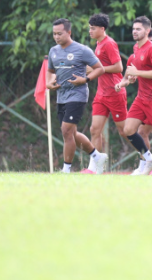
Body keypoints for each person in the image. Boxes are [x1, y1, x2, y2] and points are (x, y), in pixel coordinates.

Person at [45, 18, 107, 173]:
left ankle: (66, 170)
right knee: (71, 133)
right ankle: (97, 156)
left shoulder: (82, 50)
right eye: (54, 34)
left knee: (66, 130)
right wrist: (49, 82)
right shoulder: (53, 51)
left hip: (77, 95)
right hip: (61, 96)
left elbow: (100, 69)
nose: (56, 37)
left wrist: (85, 79)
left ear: (69, 32)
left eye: (60, 33)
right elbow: (50, 72)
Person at [116, 16, 152, 176]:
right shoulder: (137, 49)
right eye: (133, 29)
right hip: (142, 97)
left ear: (147, 31)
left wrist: (138, 72)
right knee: (128, 129)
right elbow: (132, 74)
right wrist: (124, 82)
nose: (134, 31)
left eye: (138, 29)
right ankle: (149, 159)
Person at [87, 13, 128, 155]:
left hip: (114, 92)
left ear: (102, 29)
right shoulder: (98, 44)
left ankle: (146, 157)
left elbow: (119, 67)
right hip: (101, 94)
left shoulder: (109, 43)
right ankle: (95, 166)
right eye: (89, 28)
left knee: (124, 132)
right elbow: (97, 68)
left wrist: (98, 69)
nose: (90, 31)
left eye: (93, 28)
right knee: (94, 130)